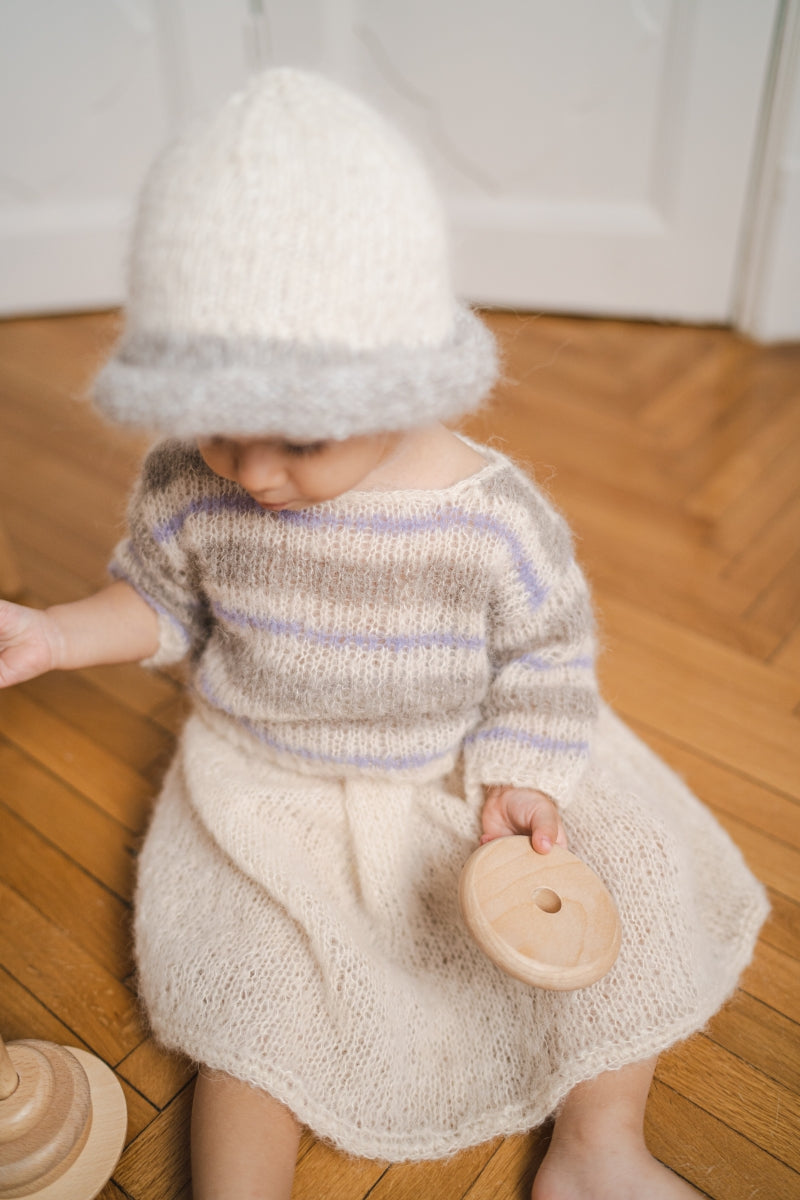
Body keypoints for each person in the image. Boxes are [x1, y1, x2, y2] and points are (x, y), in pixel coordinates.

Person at [0, 69, 767, 1200]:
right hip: (269, 785)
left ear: (404, 381)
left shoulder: (487, 514)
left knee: (632, 895)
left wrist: (520, 775)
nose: (253, 475)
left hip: (463, 766)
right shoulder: (187, 485)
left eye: (299, 439)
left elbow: (546, 658)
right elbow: (161, 604)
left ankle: (598, 1150)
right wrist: (57, 636)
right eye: (220, 428)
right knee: (249, 1002)